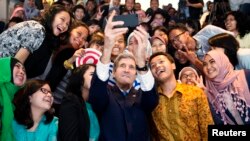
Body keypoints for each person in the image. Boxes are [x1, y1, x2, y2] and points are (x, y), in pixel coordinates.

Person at [88, 10, 158, 141]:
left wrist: (141, 62)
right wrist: (107, 48)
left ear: (136, 74)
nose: (127, 70)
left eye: (131, 67)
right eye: (122, 66)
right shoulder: (106, 96)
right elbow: (96, 95)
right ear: (113, 73)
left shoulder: (142, 97)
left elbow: (151, 101)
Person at [149, 52, 214, 140]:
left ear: (173, 65)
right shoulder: (151, 100)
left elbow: (207, 128)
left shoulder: (195, 92)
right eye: (153, 66)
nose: (157, 66)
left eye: (161, 62)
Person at [0, 4, 71, 77]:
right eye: (62, 19)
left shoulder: (47, 37)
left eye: (67, 24)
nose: (65, 26)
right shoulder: (38, 30)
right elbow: (16, 65)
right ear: (52, 16)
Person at [203, 50, 250, 125]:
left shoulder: (245, 75)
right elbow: (217, 122)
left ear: (222, 62)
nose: (208, 67)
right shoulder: (209, 91)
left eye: (212, 62)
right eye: (205, 64)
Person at [58, 64, 100, 141]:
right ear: (80, 79)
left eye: (98, 76)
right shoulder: (71, 100)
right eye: (92, 74)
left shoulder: (97, 105)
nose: (96, 78)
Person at [0, 57, 26, 141]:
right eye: (17, 67)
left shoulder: (14, 103)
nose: (22, 72)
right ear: (5, 68)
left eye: (24, 70)